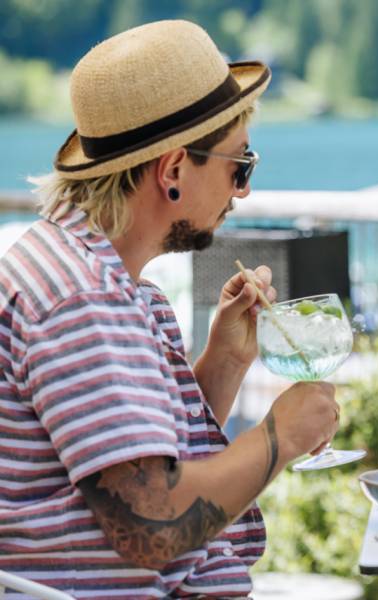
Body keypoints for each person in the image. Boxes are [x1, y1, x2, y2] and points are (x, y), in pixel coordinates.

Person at [0, 20, 340, 598]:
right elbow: (152, 527)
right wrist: (279, 438)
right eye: (240, 165)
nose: (244, 191)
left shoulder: (105, 282)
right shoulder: (85, 301)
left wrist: (224, 362)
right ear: (174, 170)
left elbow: (138, 461)